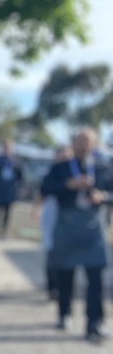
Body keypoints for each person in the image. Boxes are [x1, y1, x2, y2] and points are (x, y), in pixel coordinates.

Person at [41, 128, 112, 341]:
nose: (84, 145)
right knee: (65, 273)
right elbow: (45, 188)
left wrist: (103, 196)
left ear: (94, 145)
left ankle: (94, 322)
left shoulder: (101, 168)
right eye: (80, 141)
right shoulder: (60, 168)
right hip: (67, 225)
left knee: (95, 276)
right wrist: (67, 185)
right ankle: (64, 313)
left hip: (92, 226)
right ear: (74, 143)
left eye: (88, 142)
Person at [33, 145, 72, 300]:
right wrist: (35, 209)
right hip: (51, 214)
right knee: (51, 250)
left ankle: (64, 286)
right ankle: (52, 286)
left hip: (68, 216)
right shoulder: (51, 173)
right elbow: (43, 192)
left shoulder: (74, 172)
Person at [0, 139, 23, 237]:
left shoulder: (15, 161)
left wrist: (22, 186)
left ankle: (4, 229)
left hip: (9, 189)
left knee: (8, 209)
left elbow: (20, 175)